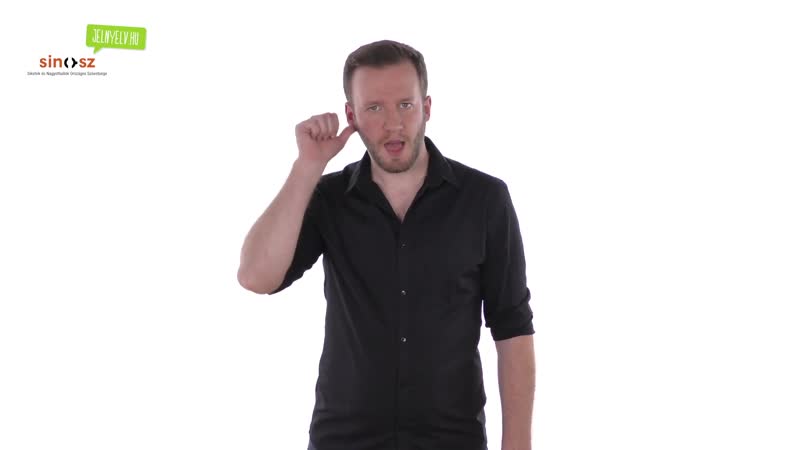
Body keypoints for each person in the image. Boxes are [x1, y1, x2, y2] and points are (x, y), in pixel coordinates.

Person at [237, 39, 536, 450]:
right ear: (352, 116)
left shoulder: (484, 199)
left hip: (451, 439)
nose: (393, 123)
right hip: (343, 440)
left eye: (405, 105)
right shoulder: (329, 198)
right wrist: (308, 166)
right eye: (374, 108)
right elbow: (256, 277)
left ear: (427, 107)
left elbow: (512, 326)